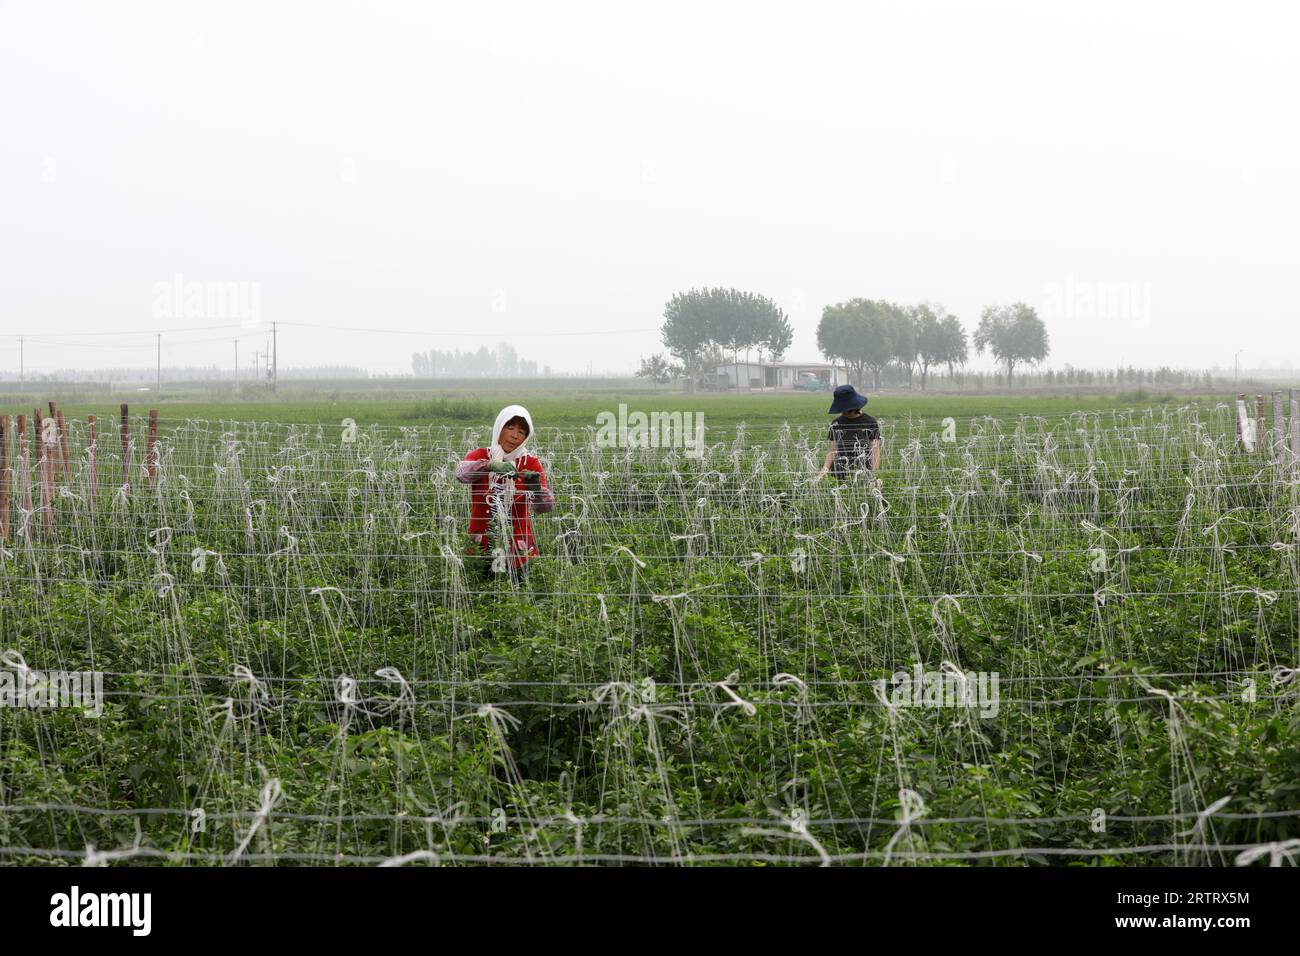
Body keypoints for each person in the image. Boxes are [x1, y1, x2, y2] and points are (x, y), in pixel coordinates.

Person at [455, 404, 554, 582]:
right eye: (510, 427)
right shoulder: (481, 454)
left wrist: (537, 489)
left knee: (517, 589)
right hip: (480, 542)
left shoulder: (530, 463)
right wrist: (488, 465)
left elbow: (545, 507)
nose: (515, 435)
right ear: (499, 428)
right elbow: (461, 473)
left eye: (522, 432)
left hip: (517, 545)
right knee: (478, 590)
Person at [815, 384, 881, 481]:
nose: (842, 412)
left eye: (844, 409)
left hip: (863, 472)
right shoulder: (836, 424)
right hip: (839, 473)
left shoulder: (870, 422)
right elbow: (832, 451)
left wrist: (873, 475)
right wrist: (823, 473)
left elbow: (875, 451)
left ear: (854, 407)